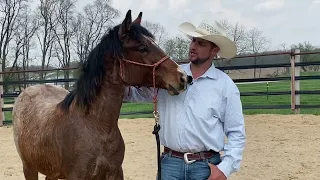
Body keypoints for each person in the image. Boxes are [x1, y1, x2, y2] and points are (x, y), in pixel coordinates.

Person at [123, 20, 246, 180]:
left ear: (214, 50)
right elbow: (134, 94)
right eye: (193, 40)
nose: (193, 46)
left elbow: (236, 133)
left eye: (201, 43)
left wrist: (224, 169)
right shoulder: (171, 77)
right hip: (170, 164)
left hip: (206, 166)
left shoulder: (225, 86)